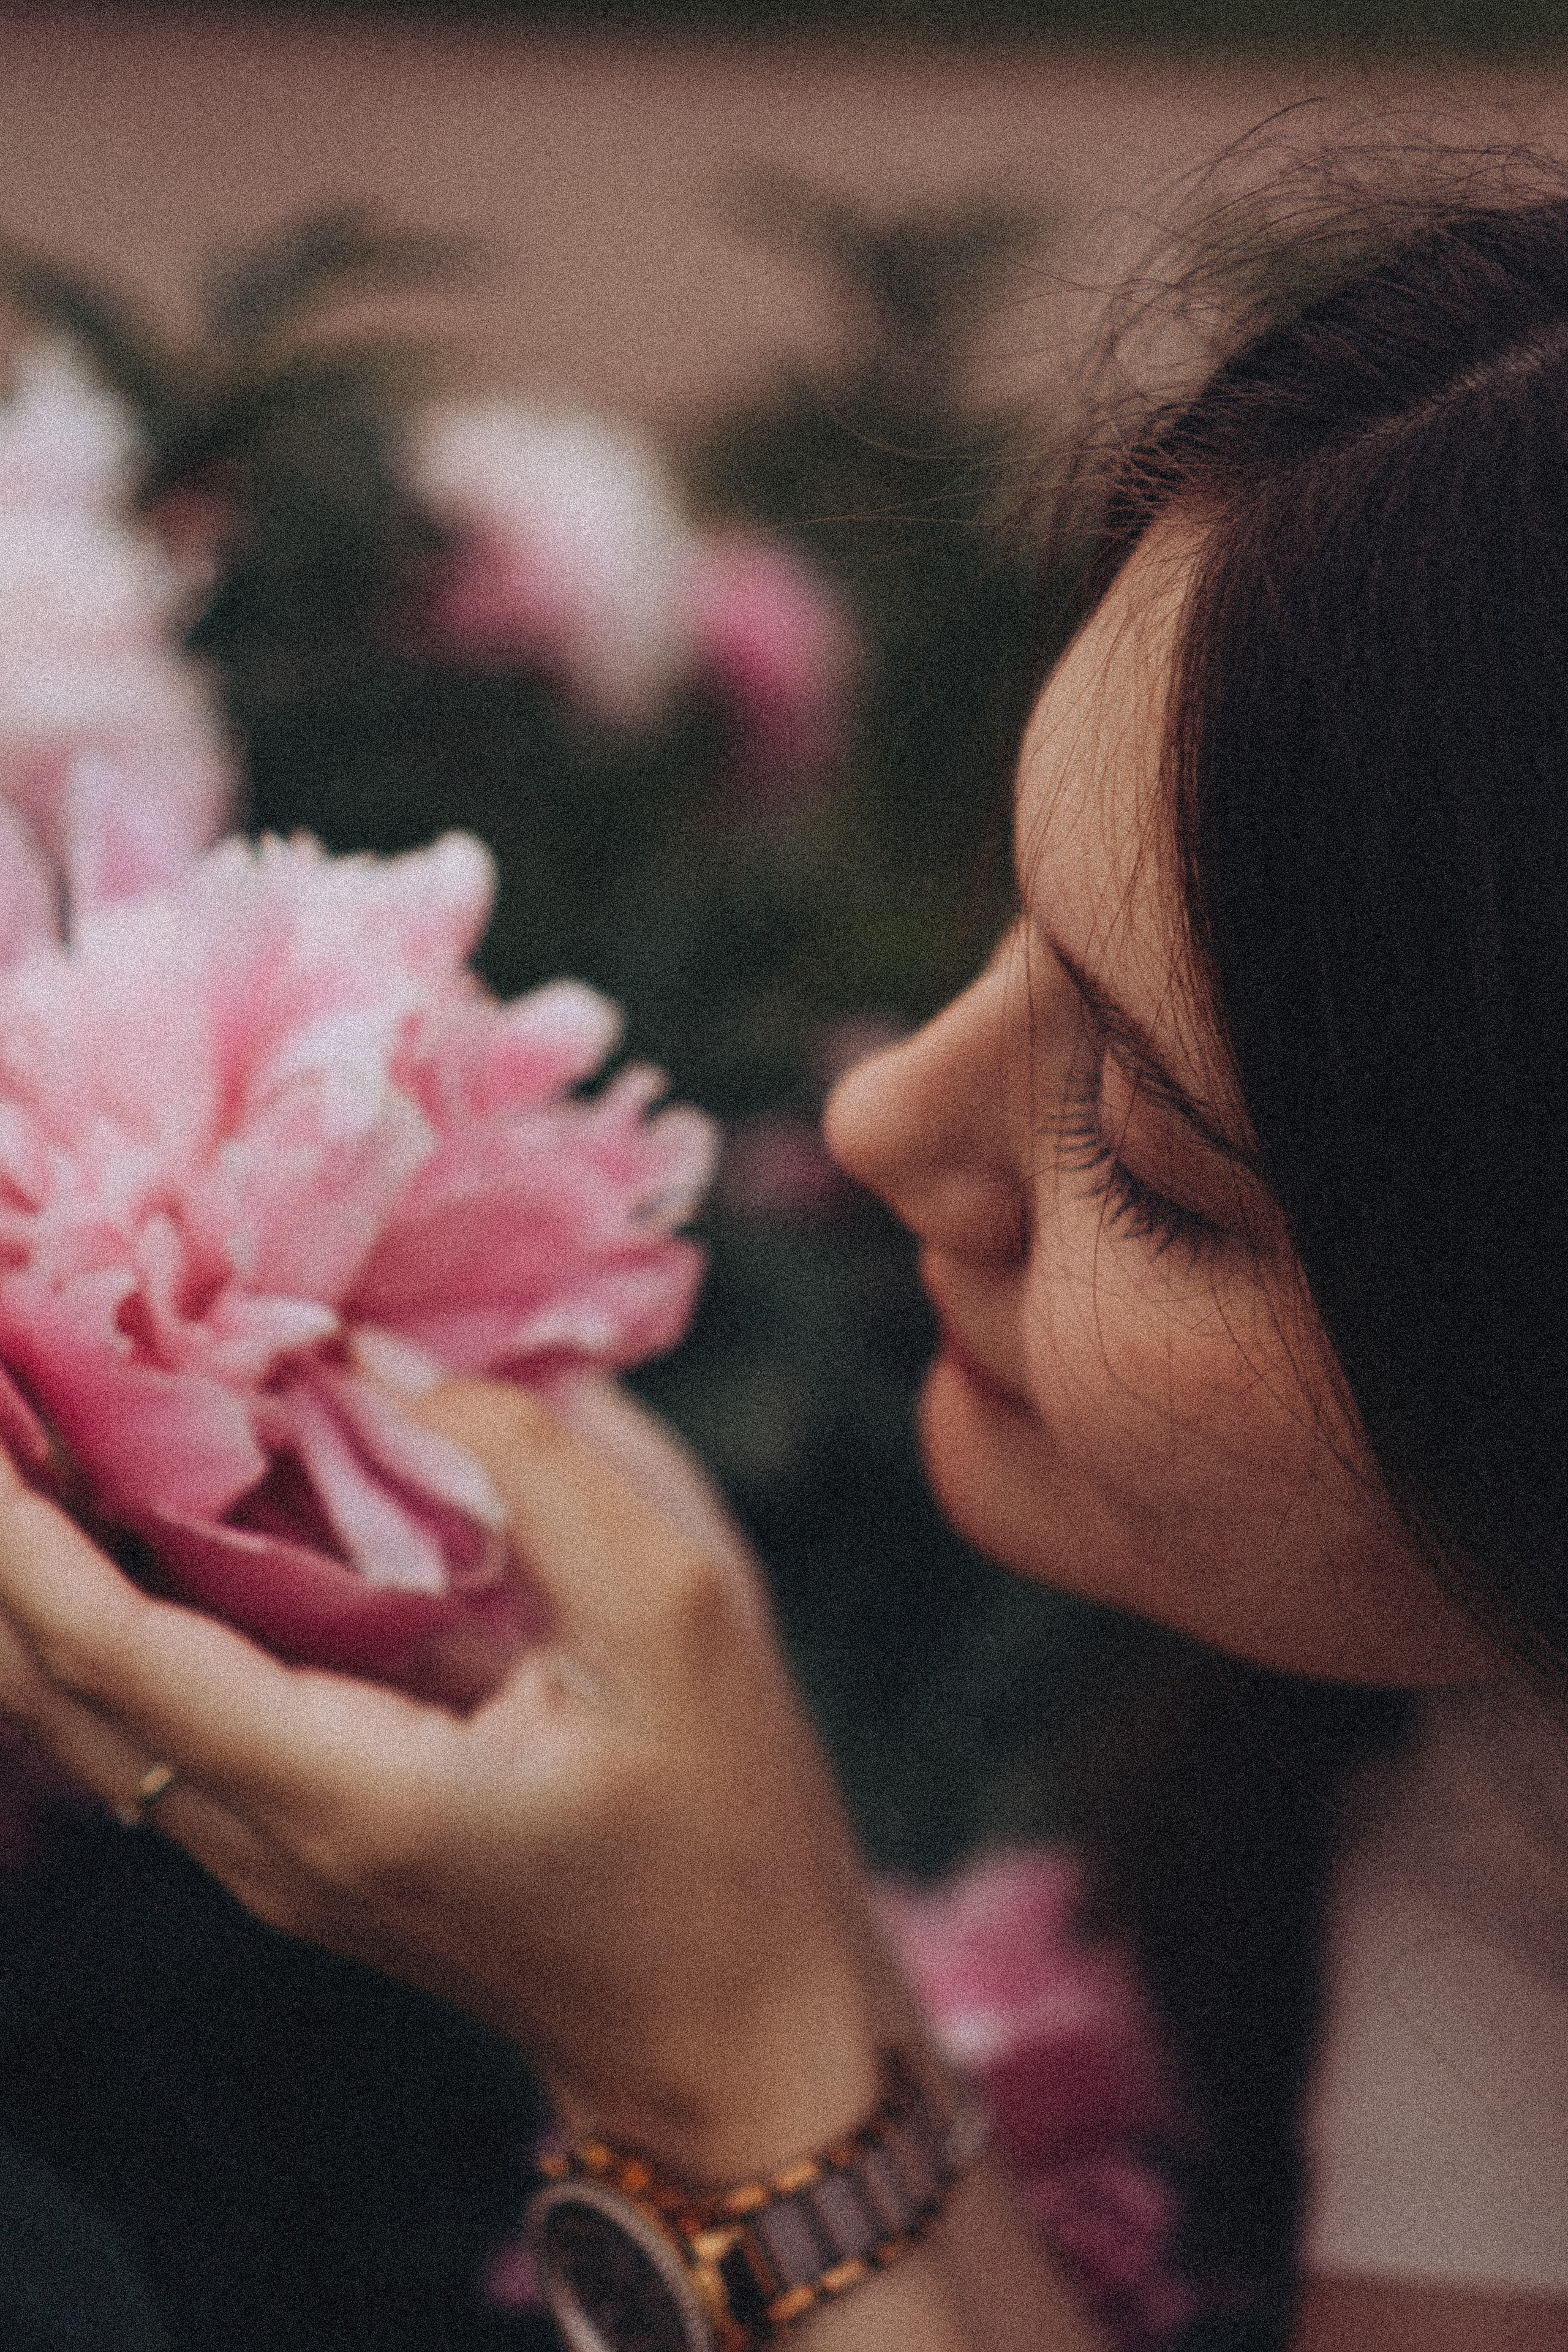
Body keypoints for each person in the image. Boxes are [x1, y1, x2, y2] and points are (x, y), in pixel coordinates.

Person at [0, 184, 1566, 2352]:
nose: (879, 1118)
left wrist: (708, 2049)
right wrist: (762, 1929)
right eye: (1024, 923)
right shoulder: (1507, 1771)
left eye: (1152, 1156)